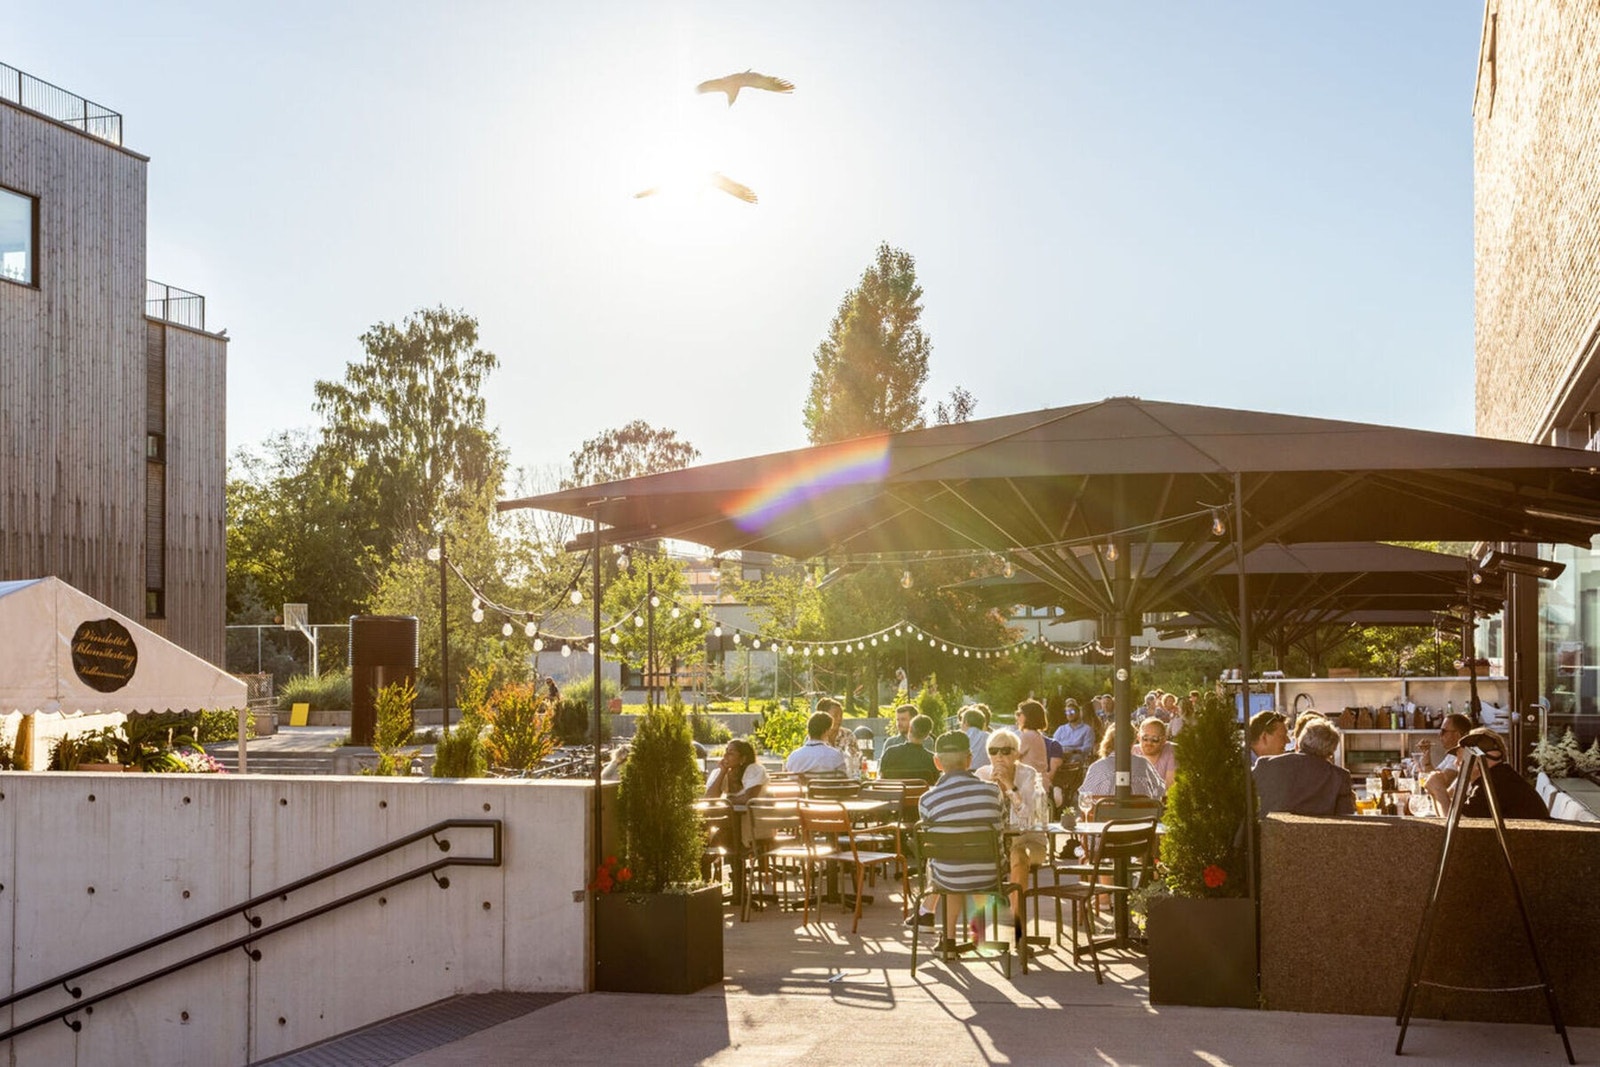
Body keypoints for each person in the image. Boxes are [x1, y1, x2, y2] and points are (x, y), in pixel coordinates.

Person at [909, 730, 1005, 930]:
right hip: (989, 874)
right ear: (969, 760)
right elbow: (1001, 826)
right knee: (962, 853)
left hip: (948, 877)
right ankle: (979, 934)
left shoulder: (927, 799)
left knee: (947, 855)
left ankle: (946, 936)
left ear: (937, 762)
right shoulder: (993, 791)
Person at [975, 727, 1048, 940]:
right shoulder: (982, 775)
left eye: (1005, 751)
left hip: (1028, 840)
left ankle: (1018, 926)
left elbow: (1027, 818)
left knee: (1019, 856)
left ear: (1016, 754)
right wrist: (991, 785)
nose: (999, 756)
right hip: (994, 842)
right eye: (993, 751)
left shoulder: (1029, 775)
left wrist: (1008, 785)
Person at [1253, 718, 1356, 818]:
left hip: (1269, 834)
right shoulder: (1340, 777)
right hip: (1319, 835)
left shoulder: (1265, 765)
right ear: (1331, 753)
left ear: (1298, 744)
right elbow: (1346, 821)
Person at [1455, 727, 1550, 821]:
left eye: (1462, 759)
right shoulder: (1499, 775)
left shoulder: (1496, 782)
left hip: (1532, 835)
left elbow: (1459, 828)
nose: (1455, 763)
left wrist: (1440, 790)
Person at [1078, 724, 1167, 813]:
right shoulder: (1144, 764)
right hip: (1141, 822)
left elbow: (1085, 799)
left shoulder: (1096, 767)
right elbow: (1161, 791)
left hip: (1105, 823)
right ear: (1133, 741)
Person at [879, 714, 939, 785]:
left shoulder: (890, 753)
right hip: (920, 795)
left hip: (893, 795)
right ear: (927, 736)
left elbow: (881, 779)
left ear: (909, 729)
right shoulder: (932, 759)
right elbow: (936, 785)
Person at [785, 712, 848, 778]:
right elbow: (843, 781)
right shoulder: (835, 755)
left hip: (801, 788)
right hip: (827, 788)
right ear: (826, 731)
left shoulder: (794, 756)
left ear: (809, 730)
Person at [705, 739, 768, 804]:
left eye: (731, 753)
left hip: (755, 813)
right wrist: (722, 772)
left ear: (743, 759)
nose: (725, 756)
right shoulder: (719, 772)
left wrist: (725, 801)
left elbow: (748, 799)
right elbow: (710, 798)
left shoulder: (755, 770)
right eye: (726, 751)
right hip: (728, 813)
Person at [818, 697, 861, 779]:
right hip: (822, 783)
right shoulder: (815, 737)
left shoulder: (848, 735)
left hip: (846, 781)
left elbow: (857, 760)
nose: (839, 719)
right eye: (835, 715)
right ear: (824, 717)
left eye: (841, 715)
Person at [1015, 699, 1052, 778]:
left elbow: (1012, 757)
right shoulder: (1036, 735)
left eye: (1019, 714)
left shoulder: (1027, 736)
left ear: (1028, 717)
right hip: (1040, 780)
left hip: (1030, 782)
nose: (1016, 717)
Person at [1138, 718, 1179, 789]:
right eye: (1145, 738)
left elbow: (1170, 786)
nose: (1149, 743)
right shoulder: (1131, 752)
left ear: (1164, 740)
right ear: (1138, 738)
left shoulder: (1171, 751)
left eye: (1155, 739)